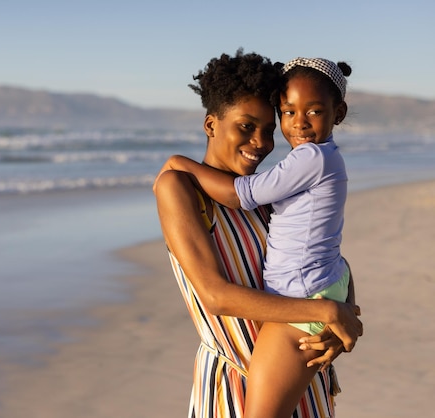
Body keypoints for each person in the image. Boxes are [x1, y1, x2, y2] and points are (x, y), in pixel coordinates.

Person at [153, 49, 362, 418]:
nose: (261, 143)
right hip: (237, 386)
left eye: (268, 130)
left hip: (295, 375)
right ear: (211, 124)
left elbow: (327, 258)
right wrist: (324, 309)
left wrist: (335, 321)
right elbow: (216, 297)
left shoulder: (262, 193)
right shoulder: (180, 189)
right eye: (246, 126)